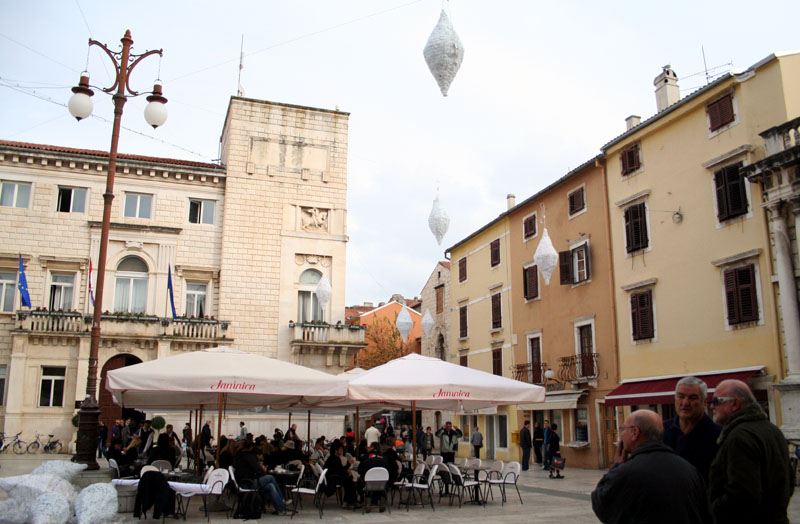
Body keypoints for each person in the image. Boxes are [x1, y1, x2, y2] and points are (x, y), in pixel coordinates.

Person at [591, 410, 711, 524]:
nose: (621, 434)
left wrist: (616, 466)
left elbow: (601, 504)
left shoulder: (627, 472)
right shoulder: (689, 470)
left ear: (635, 432)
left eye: (623, 429)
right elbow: (706, 515)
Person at [708, 379, 795, 523]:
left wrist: (711, 510)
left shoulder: (739, 438)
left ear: (735, 404)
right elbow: (789, 480)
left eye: (717, 401)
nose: (712, 406)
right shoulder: (773, 431)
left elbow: (742, 495)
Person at [662, 376, 721, 485]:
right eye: (681, 396)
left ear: (704, 402)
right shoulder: (662, 430)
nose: (685, 403)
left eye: (692, 398)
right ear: (675, 399)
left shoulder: (719, 436)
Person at [233, 441, 288, 515]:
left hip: (244, 482)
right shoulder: (249, 457)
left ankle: (280, 508)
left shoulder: (240, 455)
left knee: (270, 486)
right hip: (249, 483)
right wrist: (263, 469)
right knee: (271, 477)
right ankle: (282, 500)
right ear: (251, 448)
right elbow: (260, 471)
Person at [324, 441, 359, 509]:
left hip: (333, 477)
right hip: (333, 479)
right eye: (340, 449)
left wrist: (346, 471)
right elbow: (340, 471)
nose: (342, 450)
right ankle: (349, 501)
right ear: (336, 450)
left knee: (349, 479)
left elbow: (338, 469)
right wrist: (349, 464)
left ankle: (350, 500)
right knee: (349, 480)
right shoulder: (335, 459)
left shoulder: (332, 458)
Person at [357, 441, 390, 512]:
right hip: (382, 485)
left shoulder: (365, 457)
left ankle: (368, 499)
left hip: (368, 484)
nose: (367, 448)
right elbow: (389, 470)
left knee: (360, 481)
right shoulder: (384, 458)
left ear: (372, 447)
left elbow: (359, 470)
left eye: (369, 447)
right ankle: (382, 497)